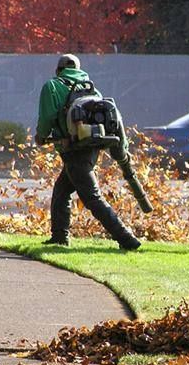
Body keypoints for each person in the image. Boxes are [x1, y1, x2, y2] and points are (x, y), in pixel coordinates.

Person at [35, 54, 141, 250]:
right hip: (92, 146)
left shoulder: (52, 86)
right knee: (61, 191)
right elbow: (115, 120)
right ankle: (59, 237)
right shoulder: (93, 90)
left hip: (73, 149)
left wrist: (41, 136)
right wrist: (121, 152)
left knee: (92, 198)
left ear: (58, 70)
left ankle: (127, 239)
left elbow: (47, 118)